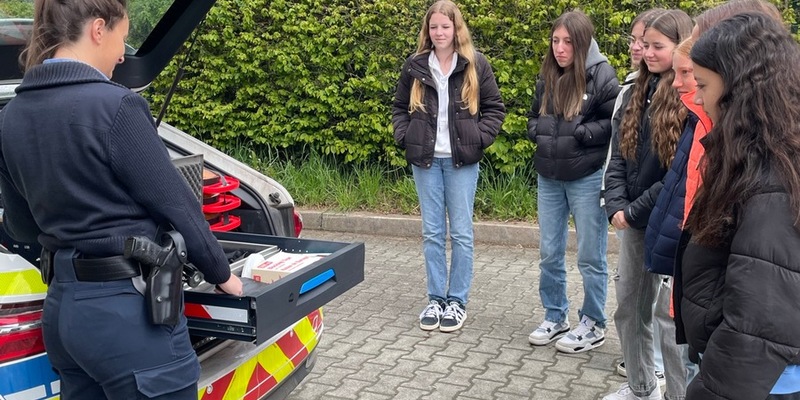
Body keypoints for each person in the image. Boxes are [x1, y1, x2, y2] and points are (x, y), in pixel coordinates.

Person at [0, 0, 243, 398]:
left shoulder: (10, 117)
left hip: (63, 313)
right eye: (122, 38)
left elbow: (22, 227)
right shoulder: (115, 105)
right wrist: (222, 275)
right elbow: (177, 204)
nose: (121, 55)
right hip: (126, 313)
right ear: (98, 29)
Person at [681, 12, 800, 399]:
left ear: (739, 87)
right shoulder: (756, 155)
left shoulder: (773, 179)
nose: (697, 97)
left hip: (763, 383)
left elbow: (755, 326)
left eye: (702, 85)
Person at [391, 0, 505, 333]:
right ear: (427, 30)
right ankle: (436, 299)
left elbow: (495, 108)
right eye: (434, 27)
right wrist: (405, 136)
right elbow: (399, 107)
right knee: (432, 233)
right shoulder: (415, 65)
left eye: (445, 26)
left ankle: (457, 301)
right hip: (425, 161)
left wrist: (478, 138)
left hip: (461, 162)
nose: (439, 32)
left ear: (457, 28)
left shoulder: (474, 63)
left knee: (461, 233)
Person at [602, 9, 693, 400]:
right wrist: (616, 205)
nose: (647, 52)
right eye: (643, 44)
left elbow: (677, 175)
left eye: (657, 46)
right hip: (634, 220)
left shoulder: (690, 97)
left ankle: (678, 394)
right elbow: (617, 156)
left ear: (680, 46)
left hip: (671, 222)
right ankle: (641, 387)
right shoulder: (634, 90)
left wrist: (633, 210)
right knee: (628, 307)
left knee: (669, 321)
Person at [525, 10, 619, 353]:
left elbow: (614, 122)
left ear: (582, 43)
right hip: (549, 178)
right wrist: (538, 131)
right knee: (549, 253)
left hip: (586, 178)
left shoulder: (602, 75)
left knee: (591, 257)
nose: (560, 48)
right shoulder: (547, 75)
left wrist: (582, 133)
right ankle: (555, 316)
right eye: (555, 41)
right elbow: (533, 116)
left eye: (567, 42)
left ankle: (593, 322)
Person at [640, 36, 708, 398]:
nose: (678, 82)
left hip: (699, 264)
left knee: (687, 355)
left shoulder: (710, 123)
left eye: (687, 73)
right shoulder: (696, 120)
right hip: (680, 255)